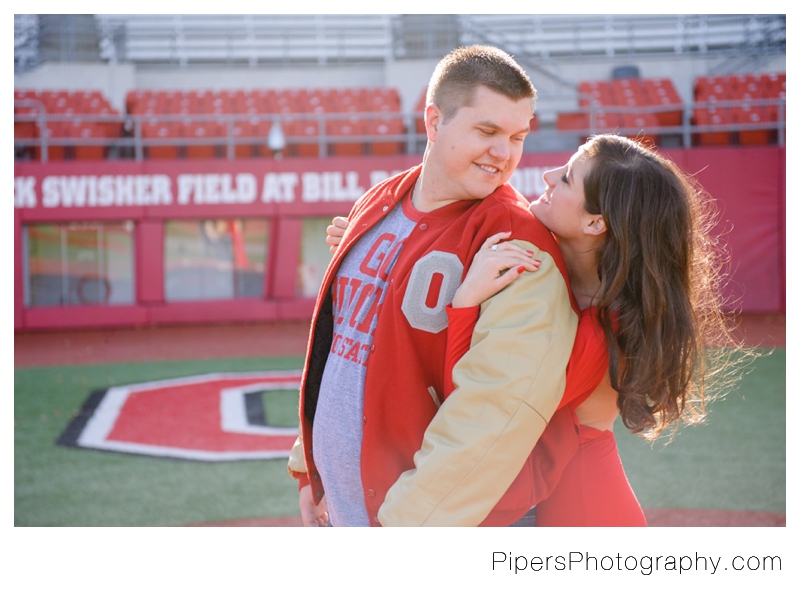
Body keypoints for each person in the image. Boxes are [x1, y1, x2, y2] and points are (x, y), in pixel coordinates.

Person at [328, 134, 749, 526]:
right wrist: (382, 254)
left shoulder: (604, 330)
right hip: (533, 489)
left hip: (577, 509)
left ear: (595, 224)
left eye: (566, 179)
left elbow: (478, 395)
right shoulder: (552, 262)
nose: (547, 176)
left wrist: (466, 303)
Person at [287, 45, 580, 527]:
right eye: (486, 131)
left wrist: (404, 530)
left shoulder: (518, 241)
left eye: (517, 136)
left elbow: (493, 413)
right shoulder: (378, 202)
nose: (503, 154)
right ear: (434, 121)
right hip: (347, 512)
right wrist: (310, 468)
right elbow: (340, 350)